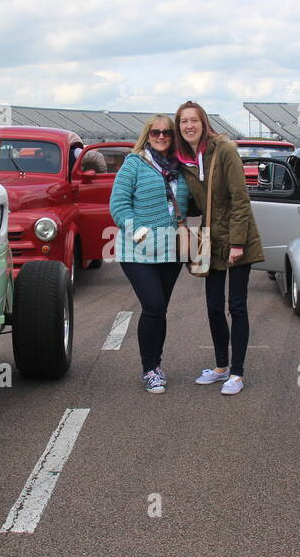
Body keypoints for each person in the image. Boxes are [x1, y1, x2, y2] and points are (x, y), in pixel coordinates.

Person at [175, 100, 263, 396]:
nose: (189, 126)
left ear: (203, 123)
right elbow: (191, 201)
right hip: (210, 240)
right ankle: (221, 367)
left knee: (236, 306)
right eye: (183, 121)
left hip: (237, 238)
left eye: (193, 120)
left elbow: (241, 199)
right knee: (213, 307)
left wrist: (237, 243)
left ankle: (237, 373)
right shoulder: (184, 159)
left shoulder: (224, 150)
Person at [109, 115, 189, 394]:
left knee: (160, 311)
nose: (161, 136)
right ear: (147, 135)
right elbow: (118, 204)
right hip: (137, 250)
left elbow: (191, 202)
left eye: (167, 132)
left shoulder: (181, 167)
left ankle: (156, 363)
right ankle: (150, 370)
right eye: (155, 132)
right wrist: (138, 231)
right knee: (153, 305)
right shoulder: (134, 164)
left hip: (170, 250)